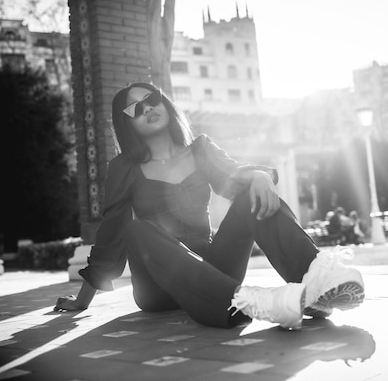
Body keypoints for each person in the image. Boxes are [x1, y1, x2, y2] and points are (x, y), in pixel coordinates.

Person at [54, 82, 365, 330]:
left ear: (164, 102)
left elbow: (233, 175)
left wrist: (257, 175)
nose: (147, 108)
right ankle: (248, 302)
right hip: (157, 287)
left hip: (212, 268)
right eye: (135, 108)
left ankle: (315, 282)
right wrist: (82, 300)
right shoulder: (124, 168)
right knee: (137, 229)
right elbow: (111, 235)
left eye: (151, 99)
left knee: (251, 193)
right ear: (127, 124)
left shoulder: (200, 149)